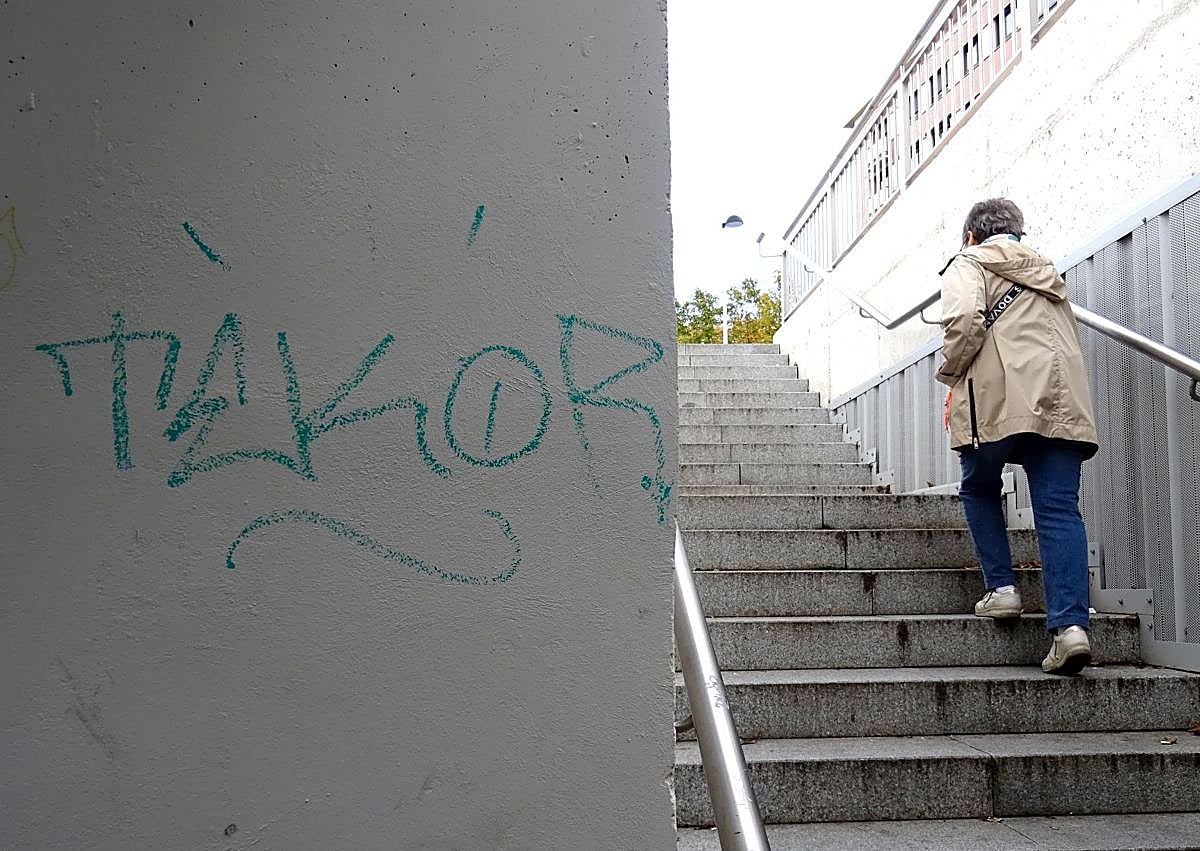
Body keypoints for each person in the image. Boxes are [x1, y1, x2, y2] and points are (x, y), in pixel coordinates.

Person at [936, 198, 1100, 675]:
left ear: (971, 235)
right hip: (1060, 400)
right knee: (1057, 510)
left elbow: (965, 321)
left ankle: (1003, 590)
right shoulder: (1047, 271)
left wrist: (950, 371)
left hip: (998, 397)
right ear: (1017, 234)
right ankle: (1070, 629)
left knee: (980, 487)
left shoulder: (968, 263)